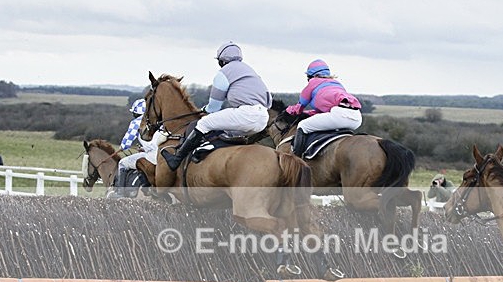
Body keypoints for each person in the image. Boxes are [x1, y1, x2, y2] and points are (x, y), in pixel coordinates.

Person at [161, 41, 272, 171]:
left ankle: (177, 158)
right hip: (263, 117)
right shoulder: (249, 70)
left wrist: (205, 109)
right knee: (222, 132)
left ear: (222, 60)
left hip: (246, 114)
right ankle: (205, 151)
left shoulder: (224, 73)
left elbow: (213, 108)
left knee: (204, 123)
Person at [285, 59, 362, 157]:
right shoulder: (337, 84)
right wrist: (308, 113)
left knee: (303, 125)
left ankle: (296, 160)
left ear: (314, 76)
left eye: (308, 77)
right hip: (356, 118)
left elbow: (298, 108)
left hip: (339, 115)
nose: (308, 80)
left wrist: (287, 110)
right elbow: (325, 112)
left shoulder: (313, 82)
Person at [113, 99, 167, 190]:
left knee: (122, 163)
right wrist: (143, 148)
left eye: (134, 113)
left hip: (152, 156)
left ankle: (120, 192)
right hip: (163, 153)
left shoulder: (137, 122)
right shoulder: (157, 120)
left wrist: (122, 147)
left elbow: (126, 143)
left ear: (136, 113)